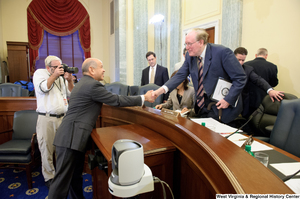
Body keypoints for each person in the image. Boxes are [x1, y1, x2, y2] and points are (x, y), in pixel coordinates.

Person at [48, 58, 154, 199]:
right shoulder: (93, 85)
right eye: (101, 66)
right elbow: (117, 100)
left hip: (72, 138)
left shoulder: (82, 83)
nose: (104, 70)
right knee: (61, 183)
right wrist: (143, 98)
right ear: (91, 70)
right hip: (70, 138)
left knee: (74, 178)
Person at [152, 28, 247, 124]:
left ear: (201, 42)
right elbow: (180, 75)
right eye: (186, 44)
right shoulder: (190, 56)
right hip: (202, 104)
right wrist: (160, 91)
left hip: (222, 106)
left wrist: (228, 99)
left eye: (189, 44)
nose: (187, 47)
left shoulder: (222, 52)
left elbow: (240, 78)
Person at [32, 55, 74, 188]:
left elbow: (71, 92)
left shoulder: (61, 78)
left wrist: (69, 80)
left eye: (60, 67)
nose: (58, 69)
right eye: (55, 67)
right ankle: (49, 177)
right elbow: (43, 88)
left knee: (61, 148)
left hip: (62, 118)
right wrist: (55, 75)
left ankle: (61, 175)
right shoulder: (40, 74)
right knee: (47, 149)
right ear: (48, 67)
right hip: (47, 118)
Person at [234, 47, 284, 118]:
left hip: (243, 102)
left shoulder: (247, 68)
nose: (241, 63)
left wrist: (270, 90)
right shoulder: (224, 67)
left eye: (243, 60)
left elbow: (258, 80)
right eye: (239, 60)